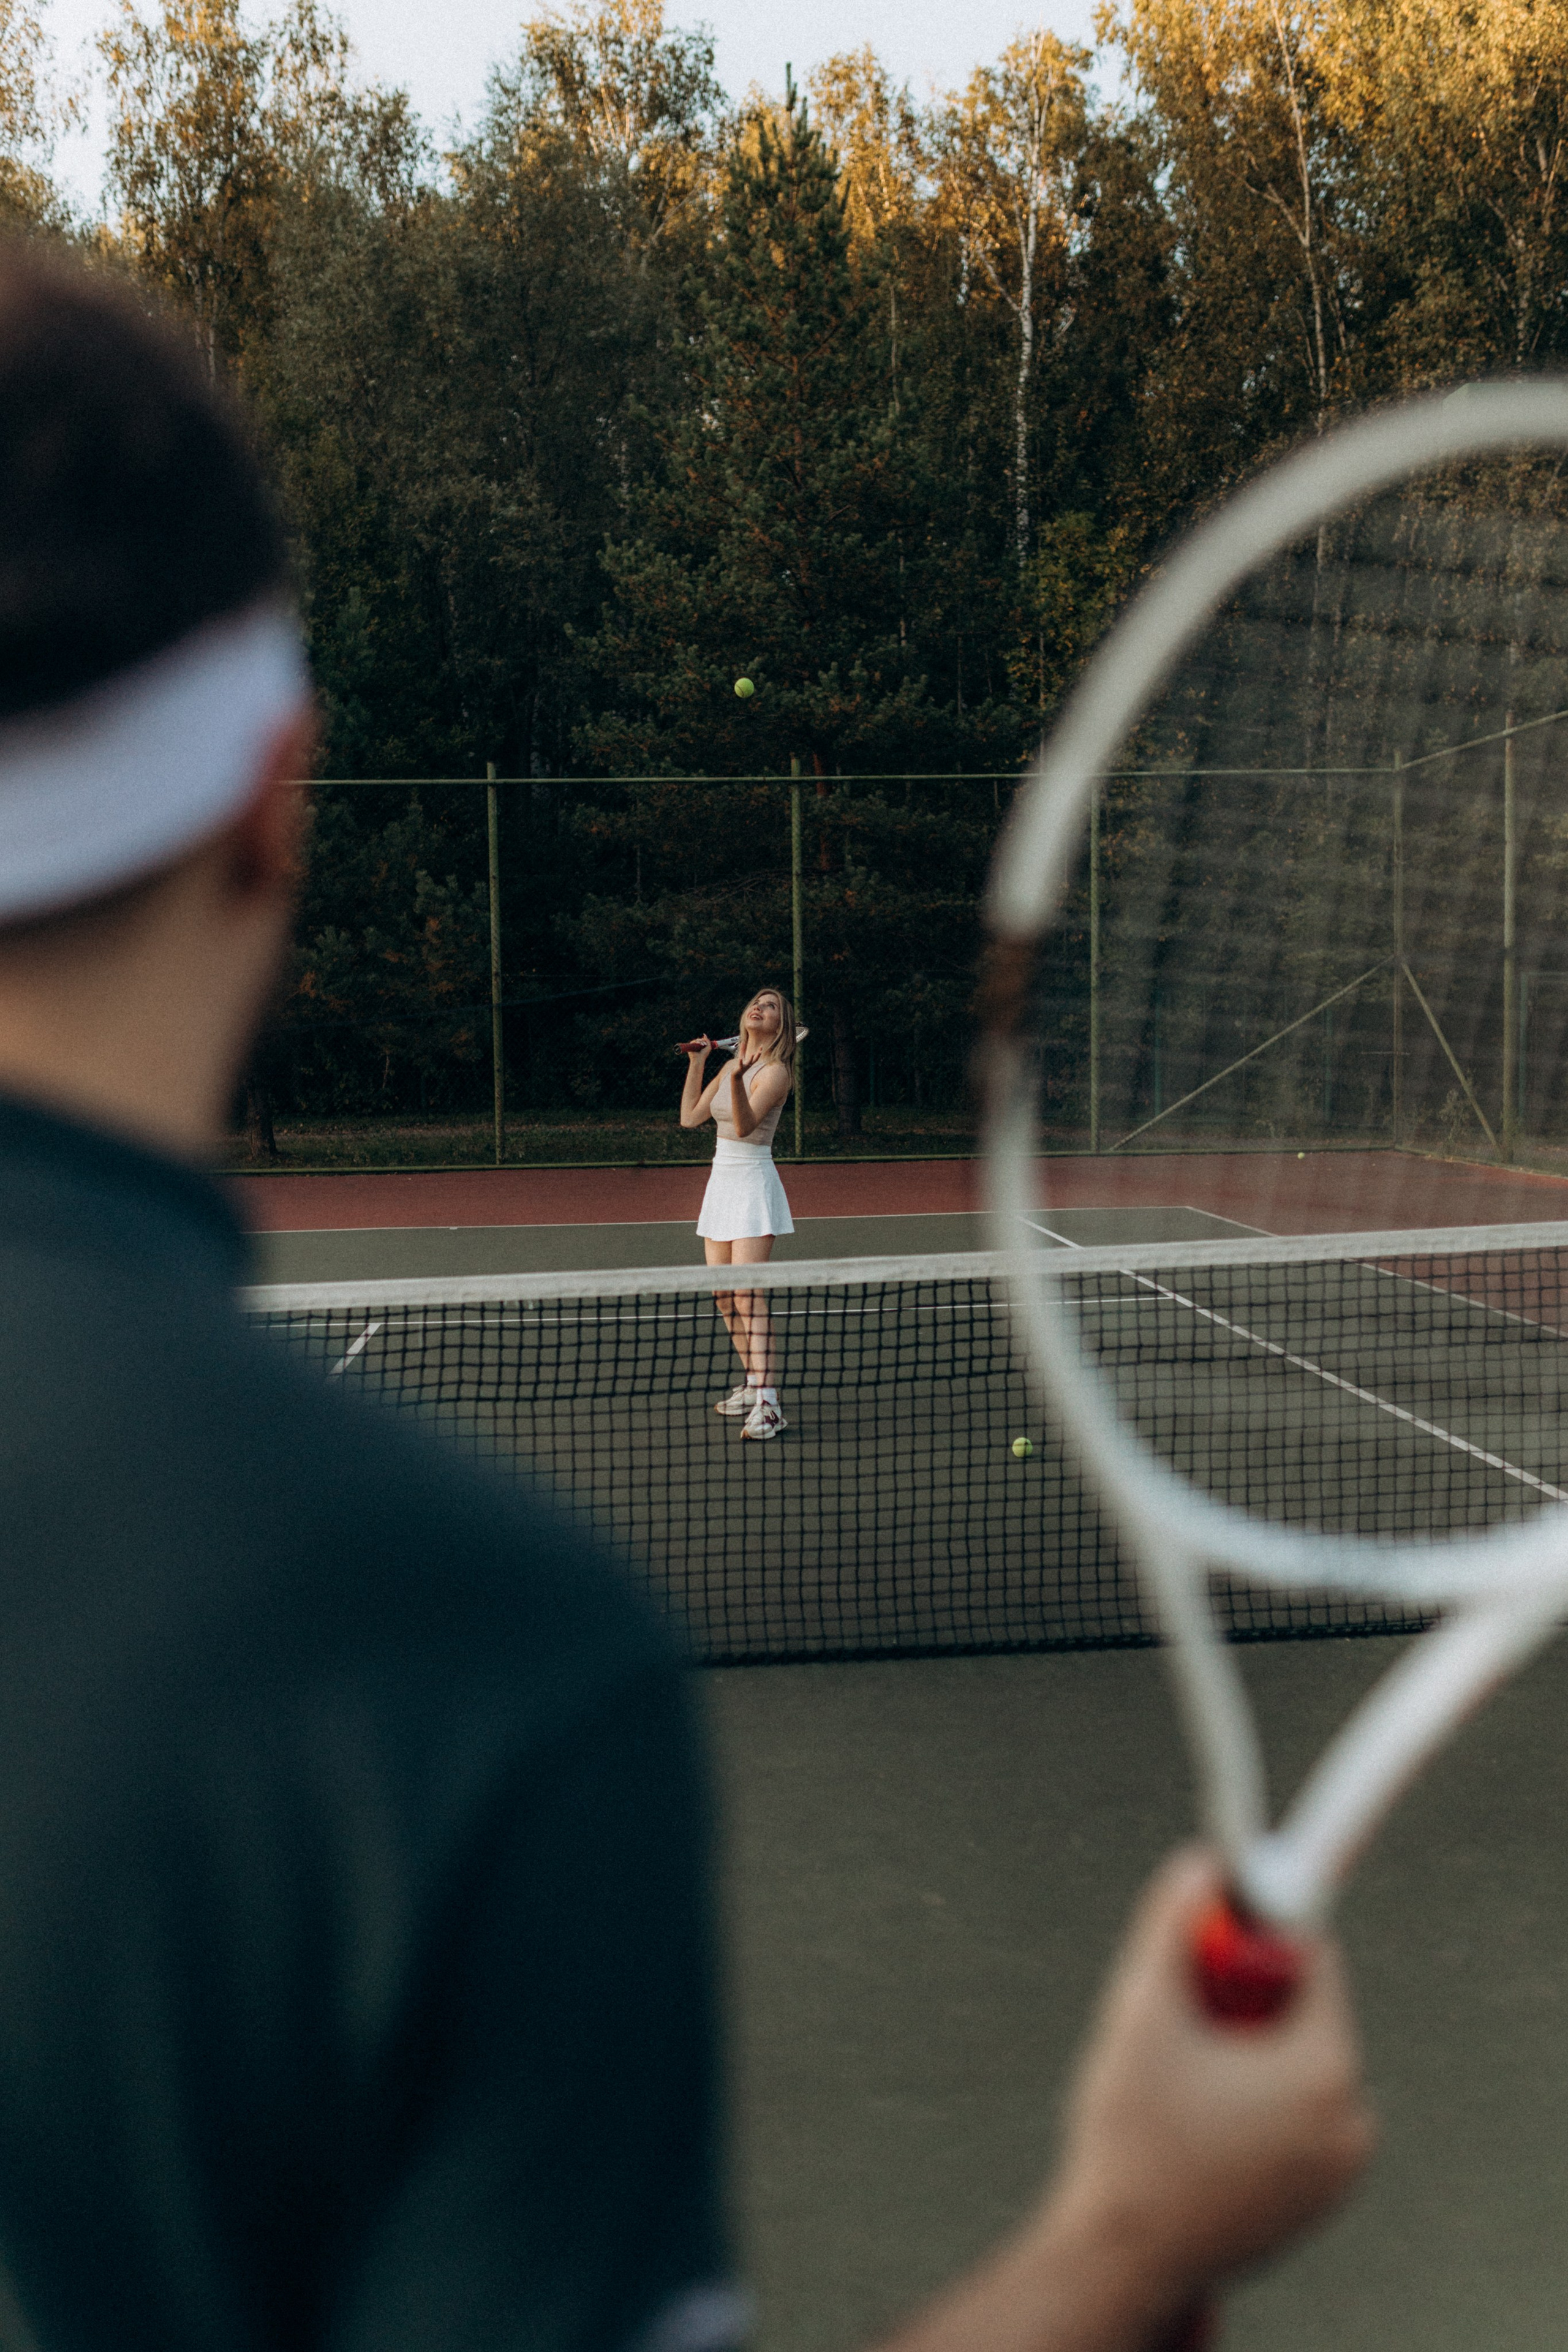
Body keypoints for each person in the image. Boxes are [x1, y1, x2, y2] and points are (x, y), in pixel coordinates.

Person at [0, 236, 1373, 2352]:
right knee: (734, 1297)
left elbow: (748, 1086)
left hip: (735, 1192)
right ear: (278, 801)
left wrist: (728, 1071)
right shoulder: (479, 1654)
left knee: (743, 1294)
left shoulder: (493, 1600)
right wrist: (1128, 2247)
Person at [680, 989, 797, 1441]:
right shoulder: (732, 1064)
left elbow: (746, 1126)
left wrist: (737, 1079)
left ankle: (769, 1405)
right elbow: (691, 1118)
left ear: (780, 1025)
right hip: (721, 1182)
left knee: (749, 1295)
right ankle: (752, 1384)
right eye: (755, 1002)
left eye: (770, 1006)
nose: (759, 1007)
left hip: (752, 1182)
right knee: (724, 1296)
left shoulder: (776, 1072)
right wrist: (699, 1064)